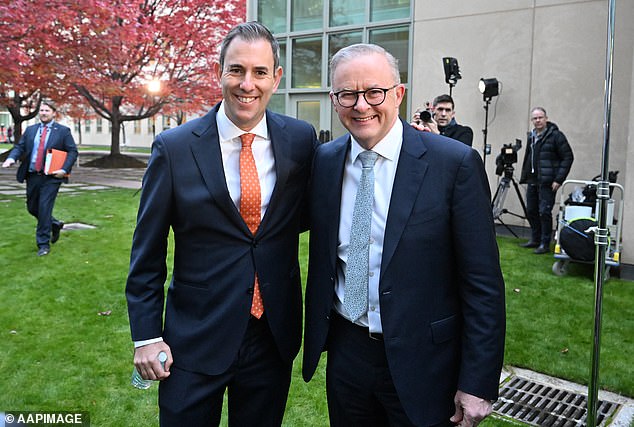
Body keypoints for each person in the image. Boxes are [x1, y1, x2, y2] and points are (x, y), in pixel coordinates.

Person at [303, 43, 506, 427]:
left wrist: (479, 381)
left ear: (398, 93)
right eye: (347, 94)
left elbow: (483, 284)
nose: (361, 105)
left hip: (425, 362)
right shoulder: (325, 161)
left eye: (374, 92)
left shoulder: (453, 164)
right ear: (334, 99)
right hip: (347, 354)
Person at [125, 22, 317, 427]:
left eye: (260, 72)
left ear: (276, 78)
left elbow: (303, 216)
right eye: (237, 70)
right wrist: (145, 335)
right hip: (194, 338)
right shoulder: (174, 148)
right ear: (219, 72)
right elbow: (148, 250)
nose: (248, 84)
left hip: (272, 336)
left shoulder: (301, 140)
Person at [2, 101, 78, 256]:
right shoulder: (31, 130)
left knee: (44, 208)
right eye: (41, 110)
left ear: (53, 113)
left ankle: (43, 244)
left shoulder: (63, 131)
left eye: (47, 110)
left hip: (51, 177)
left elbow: (72, 151)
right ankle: (55, 224)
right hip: (32, 175)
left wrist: (64, 170)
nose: (43, 113)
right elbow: (20, 147)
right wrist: (11, 158)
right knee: (32, 207)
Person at [519, 107, 574, 254]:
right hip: (533, 180)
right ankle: (535, 239)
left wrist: (558, 179)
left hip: (548, 182)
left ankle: (544, 243)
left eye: (540, 117)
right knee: (531, 211)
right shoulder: (531, 137)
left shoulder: (556, 136)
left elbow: (568, 157)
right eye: (535, 118)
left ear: (546, 118)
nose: (537, 121)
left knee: (544, 212)